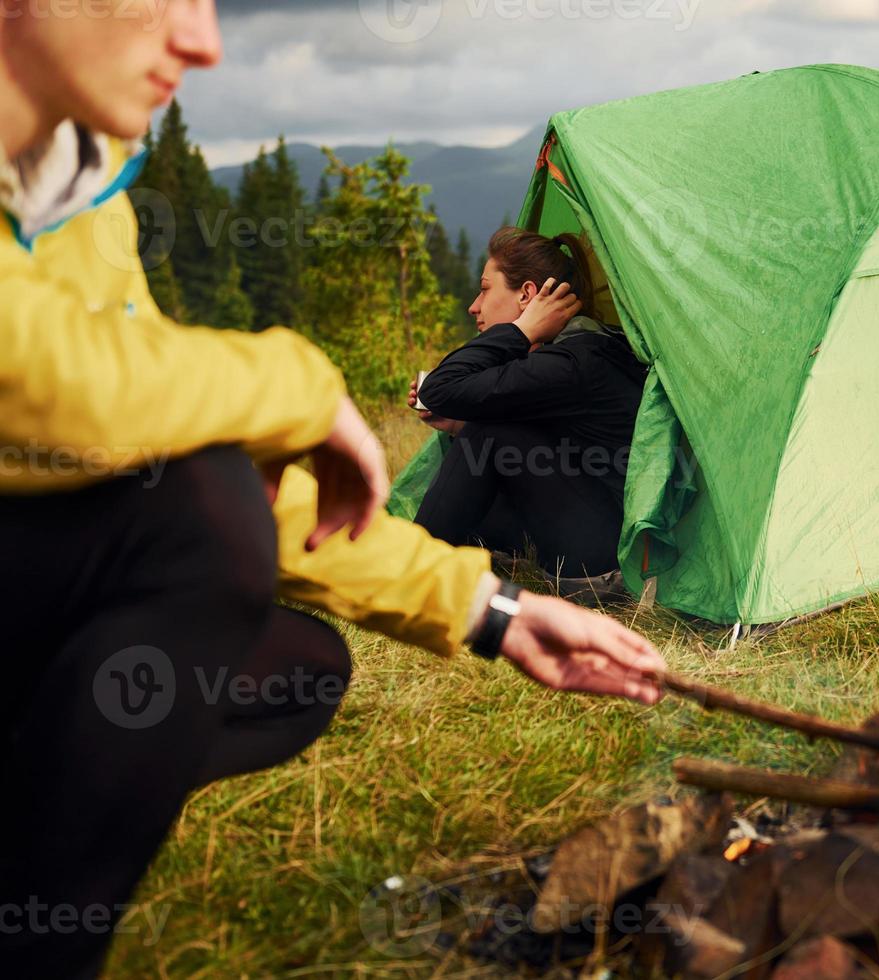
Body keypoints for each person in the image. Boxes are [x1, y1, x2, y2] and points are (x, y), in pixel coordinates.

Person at [0, 2, 665, 975]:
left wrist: (493, 610)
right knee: (209, 512)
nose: (204, 42)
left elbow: (141, 438)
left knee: (292, 669)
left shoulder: (76, 195)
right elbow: (47, 383)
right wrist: (302, 389)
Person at [410, 227, 646, 584]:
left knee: (488, 430)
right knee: (484, 429)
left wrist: (521, 330)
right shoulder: (569, 353)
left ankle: (409, 573)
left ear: (528, 295)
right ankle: (444, 563)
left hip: (607, 558)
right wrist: (459, 424)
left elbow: (442, 386)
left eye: (486, 289)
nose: (474, 305)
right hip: (592, 530)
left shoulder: (573, 361)